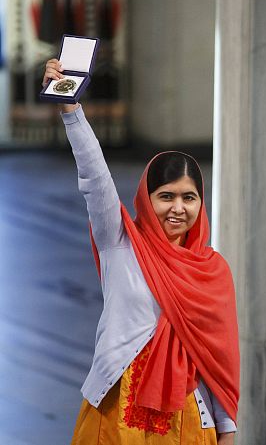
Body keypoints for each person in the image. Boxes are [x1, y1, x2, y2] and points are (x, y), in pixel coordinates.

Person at [43, 61, 240, 445]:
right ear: (147, 201)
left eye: (189, 197)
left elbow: (219, 364)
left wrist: (227, 432)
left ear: (202, 203)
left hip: (188, 424)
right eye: (165, 197)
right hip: (116, 414)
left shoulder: (213, 272)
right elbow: (95, 177)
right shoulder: (120, 243)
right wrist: (71, 110)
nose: (177, 208)